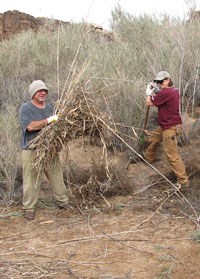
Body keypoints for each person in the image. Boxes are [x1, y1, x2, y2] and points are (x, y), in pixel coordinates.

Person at [19, 80, 69, 220]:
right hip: (31, 149)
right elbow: (30, 127)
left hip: (49, 149)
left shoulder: (51, 108)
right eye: (39, 91)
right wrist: (49, 120)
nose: (43, 93)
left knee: (57, 177)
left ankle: (63, 203)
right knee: (31, 180)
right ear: (33, 93)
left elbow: (58, 127)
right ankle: (29, 208)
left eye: (45, 91)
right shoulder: (26, 108)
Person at [144, 71, 189, 188]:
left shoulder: (166, 92)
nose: (159, 83)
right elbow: (164, 96)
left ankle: (183, 181)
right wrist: (158, 91)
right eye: (158, 82)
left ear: (168, 80)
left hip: (170, 127)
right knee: (154, 137)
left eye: (161, 81)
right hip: (169, 125)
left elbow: (148, 102)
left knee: (172, 155)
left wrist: (149, 93)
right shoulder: (174, 91)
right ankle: (148, 159)